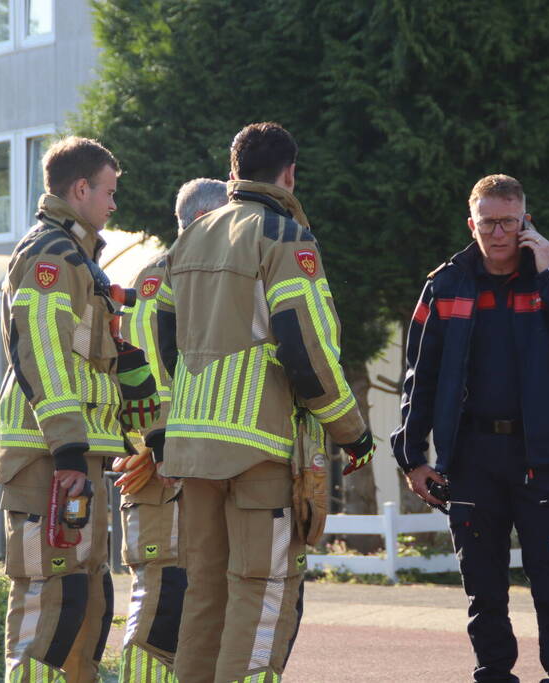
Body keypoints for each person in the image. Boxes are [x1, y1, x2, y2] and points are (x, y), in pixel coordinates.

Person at [155, 122, 375, 683]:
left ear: (233, 172)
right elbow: (306, 347)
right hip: (259, 452)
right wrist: (352, 431)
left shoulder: (190, 238)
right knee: (261, 598)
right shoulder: (282, 236)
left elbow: (163, 330)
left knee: (205, 595)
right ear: (290, 173)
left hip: (193, 451)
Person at [391, 174, 549, 683]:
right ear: (472, 223)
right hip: (471, 460)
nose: (499, 232)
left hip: (543, 459)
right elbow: (418, 377)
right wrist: (412, 457)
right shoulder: (444, 285)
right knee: (483, 592)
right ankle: (493, 674)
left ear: (525, 221)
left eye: (509, 221)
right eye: (488, 221)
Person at [0, 136, 125, 682]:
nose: (114, 204)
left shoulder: (77, 257)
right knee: (49, 608)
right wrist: (70, 448)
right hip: (49, 457)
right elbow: (42, 354)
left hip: (72, 458)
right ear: (80, 188)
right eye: (109, 192)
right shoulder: (51, 253)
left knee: (83, 606)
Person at [114, 177, 228, 681]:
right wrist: (163, 450)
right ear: (207, 220)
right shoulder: (172, 281)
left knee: (186, 609)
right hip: (162, 470)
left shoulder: (172, 279)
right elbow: (145, 386)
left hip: (179, 468)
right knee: (164, 609)